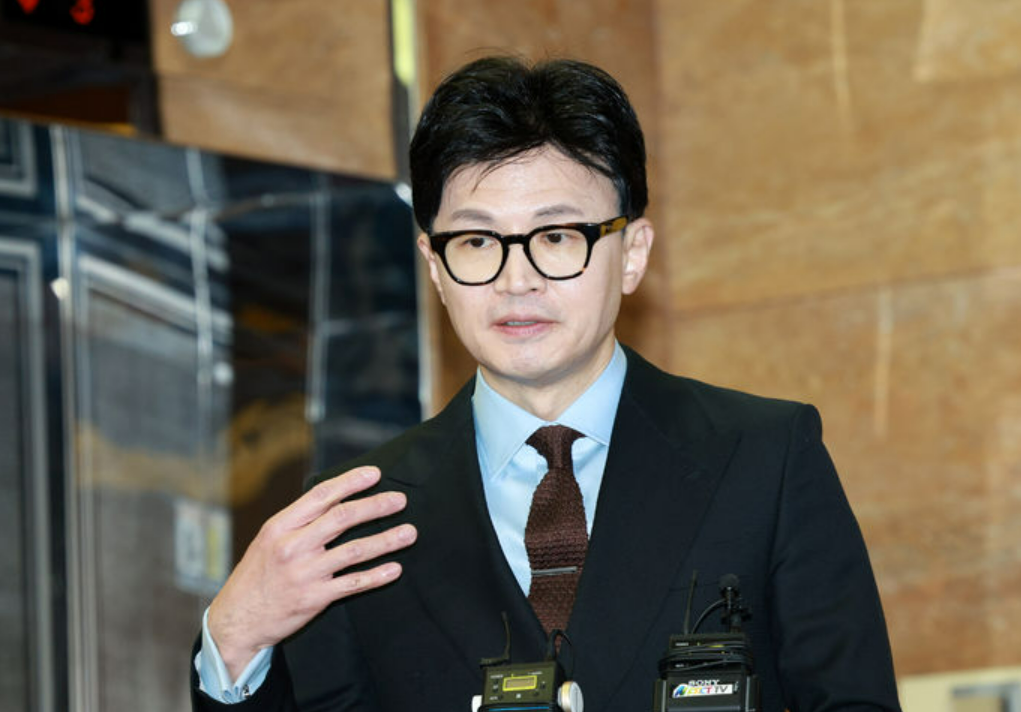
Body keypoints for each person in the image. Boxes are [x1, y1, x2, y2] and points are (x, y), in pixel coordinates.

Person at [191, 56, 901, 712]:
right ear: (435, 266)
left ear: (632, 253)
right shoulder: (358, 517)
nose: (517, 278)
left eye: (557, 236)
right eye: (477, 242)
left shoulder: (765, 460)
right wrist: (233, 637)